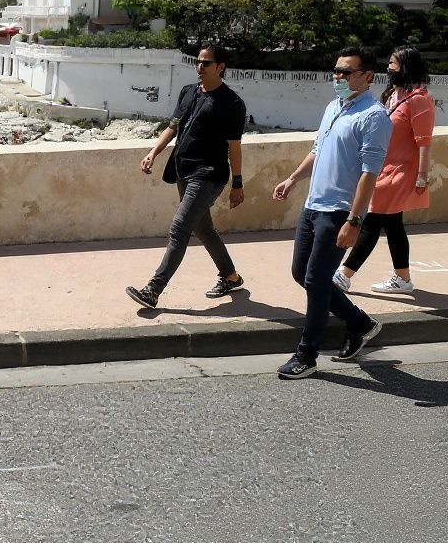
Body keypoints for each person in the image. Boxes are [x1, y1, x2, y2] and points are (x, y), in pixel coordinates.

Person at [271, 47, 393, 379]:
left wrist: (354, 220)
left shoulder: (375, 116)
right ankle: (358, 322)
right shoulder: (333, 107)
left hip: (339, 212)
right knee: (303, 274)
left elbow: (370, 174)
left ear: (367, 76)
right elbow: (318, 149)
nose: (338, 77)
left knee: (316, 280)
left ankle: (307, 355)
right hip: (313, 206)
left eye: (346, 72)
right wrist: (293, 179)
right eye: (336, 71)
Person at [125, 44, 246, 309]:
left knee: (180, 228)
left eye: (206, 63)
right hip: (183, 170)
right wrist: (153, 153)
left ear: (220, 67)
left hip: (209, 174)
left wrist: (237, 183)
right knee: (203, 228)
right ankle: (230, 275)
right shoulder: (188, 92)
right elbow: (173, 127)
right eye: (198, 62)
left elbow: (234, 146)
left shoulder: (232, 103)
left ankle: (153, 290)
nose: (200, 67)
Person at [334, 45, 435, 294]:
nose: (388, 68)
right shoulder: (394, 95)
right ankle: (403, 278)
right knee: (392, 224)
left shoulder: (419, 99)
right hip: (385, 168)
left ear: (407, 67)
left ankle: (344, 275)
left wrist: (422, 176)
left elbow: (424, 140)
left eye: (393, 64)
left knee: (371, 220)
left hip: (401, 172)